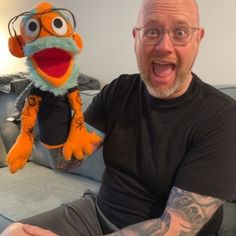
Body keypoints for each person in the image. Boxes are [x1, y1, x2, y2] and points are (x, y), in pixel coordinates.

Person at [1, 0, 236, 235]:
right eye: (152, 31)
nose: (164, 46)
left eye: (180, 32)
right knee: (14, 233)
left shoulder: (223, 117)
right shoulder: (119, 90)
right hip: (96, 214)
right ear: (136, 37)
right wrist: (53, 89)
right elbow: (63, 162)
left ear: (198, 38)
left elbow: (176, 227)